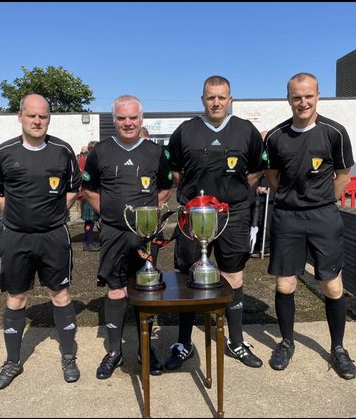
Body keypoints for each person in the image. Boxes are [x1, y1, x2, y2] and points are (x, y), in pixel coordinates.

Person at [165, 76, 267, 371]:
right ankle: (183, 342)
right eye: (211, 97)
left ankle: (235, 341)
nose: (216, 102)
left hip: (233, 215)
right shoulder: (185, 131)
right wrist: (198, 201)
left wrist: (232, 198)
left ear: (230, 98)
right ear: (202, 99)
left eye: (222, 97)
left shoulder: (245, 130)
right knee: (187, 277)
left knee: (233, 275)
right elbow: (175, 173)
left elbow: (256, 171)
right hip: (194, 214)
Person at [264, 72, 356, 379]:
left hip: (323, 217)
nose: (302, 102)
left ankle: (338, 348)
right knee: (285, 284)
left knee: (331, 285)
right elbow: (272, 178)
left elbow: (344, 175)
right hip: (287, 217)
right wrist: (292, 200)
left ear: (318, 96)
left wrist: (322, 200)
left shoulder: (335, 132)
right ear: (288, 98)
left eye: (308, 96)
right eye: (296, 97)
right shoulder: (276, 136)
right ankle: (287, 342)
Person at [0, 93, 82, 390]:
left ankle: (68, 357)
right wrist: (20, 217)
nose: (38, 121)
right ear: (20, 117)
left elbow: (73, 188)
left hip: (54, 236)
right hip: (16, 237)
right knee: (17, 297)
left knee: (60, 295)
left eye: (43, 116)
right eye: (32, 115)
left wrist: (51, 216)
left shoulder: (62, 150)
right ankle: (12, 361)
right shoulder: (3, 153)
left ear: (48, 119)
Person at [82, 95, 172, 379]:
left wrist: (145, 218)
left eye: (133, 117)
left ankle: (146, 350)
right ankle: (113, 352)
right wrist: (110, 216)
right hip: (113, 234)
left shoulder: (156, 152)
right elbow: (91, 190)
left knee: (145, 290)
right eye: (121, 118)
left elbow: (165, 188)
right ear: (114, 120)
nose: (128, 123)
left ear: (141, 119)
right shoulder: (101, 152)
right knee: (116, 289)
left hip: (144, 236)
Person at [80, 140, 101, 250]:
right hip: (92, 192)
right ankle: (88, 243)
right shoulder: (92, 160)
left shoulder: (85, 158)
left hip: (89, 193)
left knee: (91, 220)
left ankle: (90, 241)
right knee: (90, 220)